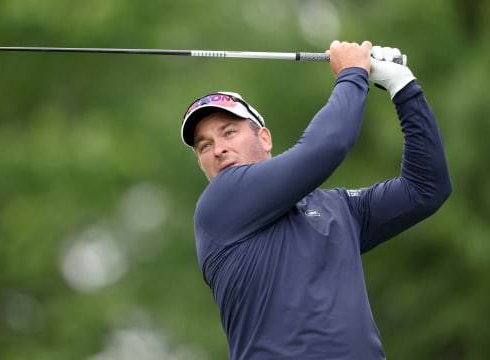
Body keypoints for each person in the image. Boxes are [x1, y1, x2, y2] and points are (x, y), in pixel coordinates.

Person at [179, 40, 452, 360]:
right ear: (201, 162)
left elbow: (425, 188)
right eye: (204, 146)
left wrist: (402, 87)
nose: (218, 149)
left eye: (228, 133)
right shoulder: (219, 205)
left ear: (264, 139)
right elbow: (327, 146)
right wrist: (352, 73)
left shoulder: (337, 208)